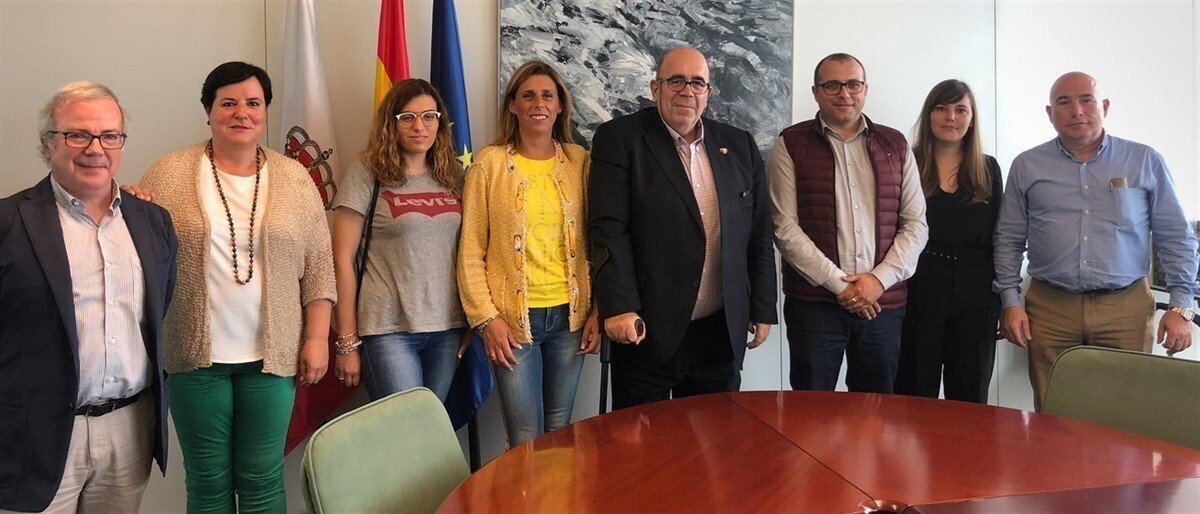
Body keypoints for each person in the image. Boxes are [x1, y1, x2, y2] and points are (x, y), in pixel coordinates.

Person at [137, 61, 336, 511]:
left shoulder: (294, 178)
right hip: (193, 358)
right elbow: (139, 252)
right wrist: (133, 203)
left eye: (253, 103)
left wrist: (317, 339)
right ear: (208, 111)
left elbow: (319, 266)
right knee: (207, 480)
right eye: (228, 103)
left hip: (272, 358)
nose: (241, 112)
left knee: (262, 477)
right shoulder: (167, 174)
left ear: (265, 111)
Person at [0, 82, 176, 513]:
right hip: (33, 436)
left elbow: (158, 309)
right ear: (47, 144)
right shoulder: (7, 222)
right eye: (78, 135)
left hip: (129, 429)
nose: (95, 148)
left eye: (109, 135)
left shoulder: (153, 221)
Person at [994, 71, 1198, 411]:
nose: (1076, 110)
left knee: (1126, 413)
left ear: (1104, 106)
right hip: (1050, 309)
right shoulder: (1028, 165)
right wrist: (1010, 303)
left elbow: (1176, 236)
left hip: (1125, 310)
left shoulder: (1143, 160)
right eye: (1064, 102)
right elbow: (1009, 239)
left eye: (1086, 100)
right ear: (1050, 113)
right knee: (1054, 411)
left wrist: (1181, 307)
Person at [588, 45, 778, 410]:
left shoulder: (739, 145)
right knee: (645, 442)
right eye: (676, 81)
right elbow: (608, 230)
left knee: (714, 439)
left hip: (719, 334)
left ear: (708, 92)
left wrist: (762, 307)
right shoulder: (620, 139)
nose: (687, 91)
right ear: (655, 88)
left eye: (697, 83)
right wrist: (619, 306)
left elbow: (758, 233)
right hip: (646, 331)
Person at [458, 61, 600, 446]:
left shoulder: (580, 162)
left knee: (559, 433)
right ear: (513, 105)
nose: (539, 103)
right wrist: (486, 320)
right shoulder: (488, 164)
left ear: (559, 106)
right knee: (525, 440)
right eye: (528, 95)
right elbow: (470, 251)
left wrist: (598, 310)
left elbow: (598, 243)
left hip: (570, 321)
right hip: (512, 325)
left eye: (547, 95)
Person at [768, 53, 928, 393]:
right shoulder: (790, 144)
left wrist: (877, 281)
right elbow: (785, 227)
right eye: (832, 85)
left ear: (865, 89)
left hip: (883, 306)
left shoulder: (895, 145)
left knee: (876, 410)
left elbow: (916, 224)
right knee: (811, 410)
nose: (844, 94)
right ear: (815, 92)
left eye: (853, 84)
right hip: (815, 308)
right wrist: (842, 287)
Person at [329, 79, 466, 400]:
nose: (419, 126)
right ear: (391, 124)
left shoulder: (453, 175)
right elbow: (341, 260)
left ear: (440, 123)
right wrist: (347, 341)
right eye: (407, 118)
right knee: (407, 421)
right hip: (387, 330)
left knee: (430, 422)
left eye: (429, 116)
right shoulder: (367, 173)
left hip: (447, 327)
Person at [894, 79, 1002, 403]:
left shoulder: (988, 168)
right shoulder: (906, 163)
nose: (951, 117)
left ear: (972, 118)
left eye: (960, 110)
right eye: (941, 108)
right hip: (918, 292)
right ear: (929, 114)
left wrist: (1004, 302)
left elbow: (1000, 238)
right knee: (913, 394)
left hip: (976, 297)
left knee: (970, 399)